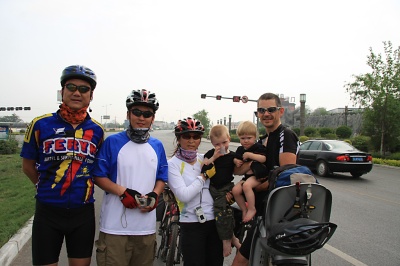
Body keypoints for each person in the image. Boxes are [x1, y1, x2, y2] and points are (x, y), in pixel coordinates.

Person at [20, 65, 105, 266]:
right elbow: (27, 165)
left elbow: (97, 168)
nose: (77, 93)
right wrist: (43, 186)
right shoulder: (40, 124)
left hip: (82, 212)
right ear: (62, 91)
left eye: (84, 89)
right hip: (48, 211)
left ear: (91, 95)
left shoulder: (98, 131)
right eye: (71, 87)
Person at [92, 89, 168, 266]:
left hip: (146, 229)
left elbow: (162, 177)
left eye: (147, 114)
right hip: (114, 228)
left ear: (153, 118)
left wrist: (155, 194)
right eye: (137, 112)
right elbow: (98, 175)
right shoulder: (112, 142)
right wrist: (122, 191)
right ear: (128, 114)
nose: (142, 118)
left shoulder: (157, 146)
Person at [232, 93, 300, 266]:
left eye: (271, 109)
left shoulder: (286, 135)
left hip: (278, 212)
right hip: (264, 210)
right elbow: (239, 169)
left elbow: (286, 175)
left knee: (241, 260)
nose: (266, 114)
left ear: (281, 111)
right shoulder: (262, 141)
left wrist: (256, 186)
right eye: (261, 110)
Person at [168, 117, 224, 266]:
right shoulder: (172, 164)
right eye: (186, 136)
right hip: (191, 223)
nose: (191, 140)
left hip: (213, 222)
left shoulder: (204, 159)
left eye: (196, 137)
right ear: (179, 139)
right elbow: (183, 195)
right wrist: (204, 176)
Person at [202, 124, 240, 257]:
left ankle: (227, 240)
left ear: (229, 139)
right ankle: (232, 237)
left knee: (222, 209)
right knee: (224, 212)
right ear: (212, 143)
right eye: (218, 144)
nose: (222, 146)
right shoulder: (210, 154)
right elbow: (203, 168)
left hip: (226, 187)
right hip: (213, 188)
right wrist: (214, 158)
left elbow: (240, 163)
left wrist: (237, 161)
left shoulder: (233, 156)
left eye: (224, 142)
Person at [231, 121, 267, 223]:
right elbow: (235, 158)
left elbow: (263, 158)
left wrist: (250, 155)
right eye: (242, 138)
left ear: (255, 137)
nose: (246, 141)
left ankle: (252, 209)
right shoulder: (240, 149)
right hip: (247, 176)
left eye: (249, 138)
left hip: (258, 176)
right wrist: (236, 161)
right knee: (235, 190)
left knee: (247, 186)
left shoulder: (258, 147)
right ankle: (244, 209)